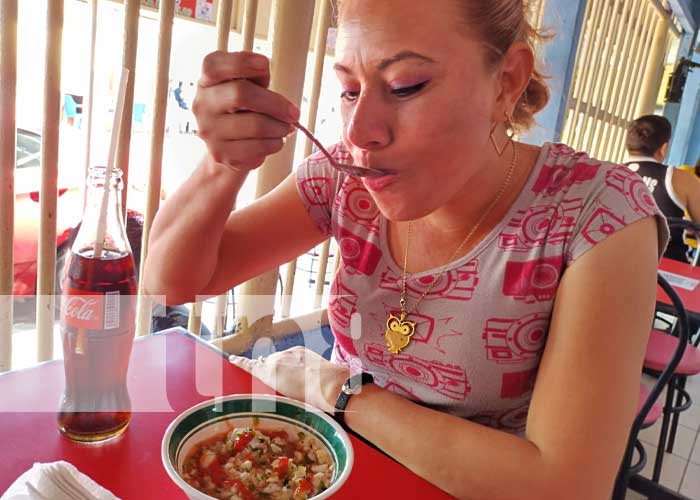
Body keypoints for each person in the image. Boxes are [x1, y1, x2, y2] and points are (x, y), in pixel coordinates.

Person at [144, 1, 668, 498]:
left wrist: (340, 392)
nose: (358, 132)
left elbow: (564, 486)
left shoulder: (597, 214)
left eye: (405, 86)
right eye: (349, 90)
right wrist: (223, 166)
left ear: (507, 82)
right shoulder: (344, 180)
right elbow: (173, 281)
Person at [625, 114, 700, 262]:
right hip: (665, 269)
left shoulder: (608, 174)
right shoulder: (679, 178)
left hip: (613, 263)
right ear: (663, 148)